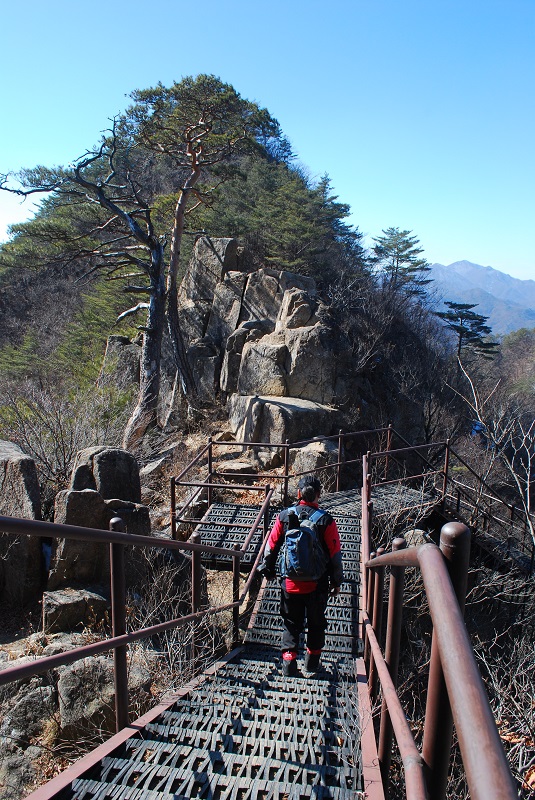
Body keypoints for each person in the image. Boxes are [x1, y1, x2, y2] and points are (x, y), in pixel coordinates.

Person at [258, 475, 343, 676]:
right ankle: (312, 664)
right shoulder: (326, 520)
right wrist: (336, 581)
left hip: (289, 582)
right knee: (316, 623)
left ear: (298, 494)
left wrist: (268, 570)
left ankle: (289, 663)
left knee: (291, 622)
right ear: (319, 495)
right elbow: (335, 554)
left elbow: (271, 546)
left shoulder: (284, 516)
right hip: (316, 584)